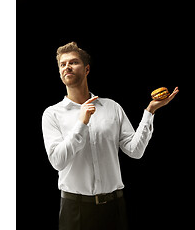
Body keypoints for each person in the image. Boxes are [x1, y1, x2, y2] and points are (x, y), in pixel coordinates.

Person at [41, 42, 179, 230]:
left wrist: (150, 112)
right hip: (75, 211)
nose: (67, 67)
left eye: (73, 62)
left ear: (87, 68)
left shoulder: (112, 107)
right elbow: (58, 161)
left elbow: (135, 151)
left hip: (114, 208)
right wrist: (81, 123)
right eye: (63, 64)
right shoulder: (52, 114)